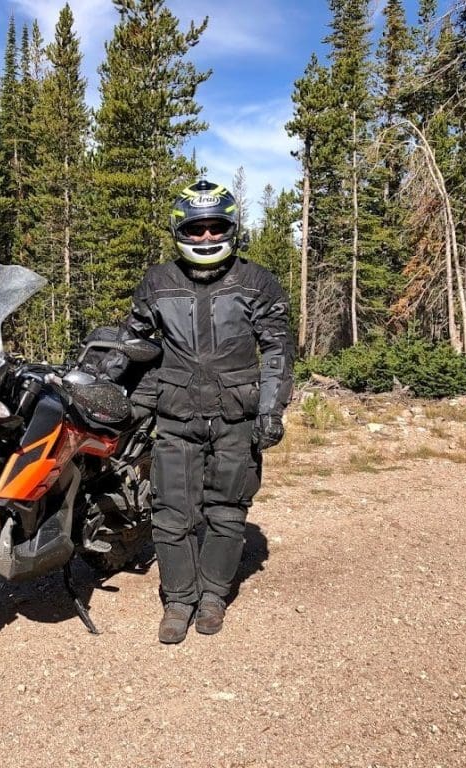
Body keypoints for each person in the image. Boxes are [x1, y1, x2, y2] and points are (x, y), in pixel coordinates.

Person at [104, 179, 295, 643]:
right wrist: (109, 385)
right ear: (180, 230)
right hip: (175, 414)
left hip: (237, 415)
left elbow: (277, 349)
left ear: (230, 228)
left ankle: (212, 597)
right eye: (197, 228)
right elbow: (137, 344)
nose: (207, 237)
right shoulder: (158, 281)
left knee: (227, 510)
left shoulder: (257, 281)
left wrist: (271, 410)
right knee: (170, 510)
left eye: (215, 228)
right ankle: (178, 600)